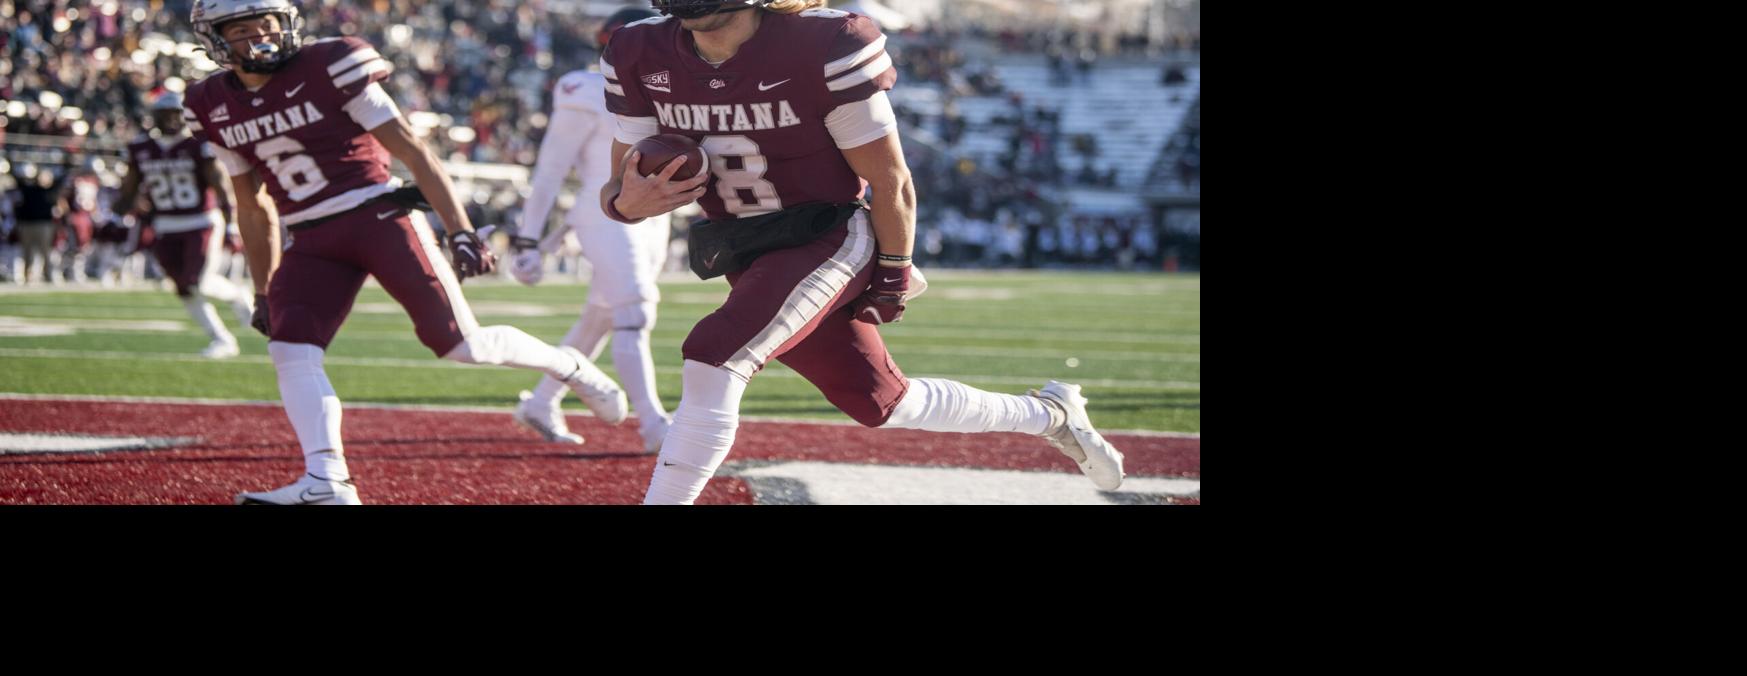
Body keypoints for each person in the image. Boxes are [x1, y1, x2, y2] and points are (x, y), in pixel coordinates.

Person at [600, 0, 1125, 505]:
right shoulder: (639, 51)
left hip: (826, 233)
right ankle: (1049, 414)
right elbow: (617, 189)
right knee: (880, 400)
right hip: (745, 249)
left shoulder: (823, 43)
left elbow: (889, 180)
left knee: (715, 352)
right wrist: (628, 203)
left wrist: (893, 272)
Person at [182, 0, 629, 505]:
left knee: (463, 346)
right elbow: (252, 204)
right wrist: (262, 288)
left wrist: (460, 230)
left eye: (267, 24)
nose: (260, 37)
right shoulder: (210, 102)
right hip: (309, 236)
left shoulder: (328, 65)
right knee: (290, 350)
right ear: (217, 41)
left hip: (377, 216)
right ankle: (328, 481)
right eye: (243, 29)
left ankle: (568, 366)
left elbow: (413, 149)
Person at [508, 7, 674, 454]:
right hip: (604, 212)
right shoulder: (585, 87)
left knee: (599, 318)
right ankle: (654, 425)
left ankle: (541, 402)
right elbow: (551, 168)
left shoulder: (672, 85)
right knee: (634, 311)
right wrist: (528, 236)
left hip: (656, 215)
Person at [114, 91, 255, 357]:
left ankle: (238, 295)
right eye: (163, 114)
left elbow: (220, 186)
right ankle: (221, 339)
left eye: (174, 114)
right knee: (183, 288)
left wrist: (231, 222)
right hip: (166, 224)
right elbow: (129, 190)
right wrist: (125, 206)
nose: (169, 120)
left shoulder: (198, 146)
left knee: (199, 283)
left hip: (200, 221)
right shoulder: (140, 148)